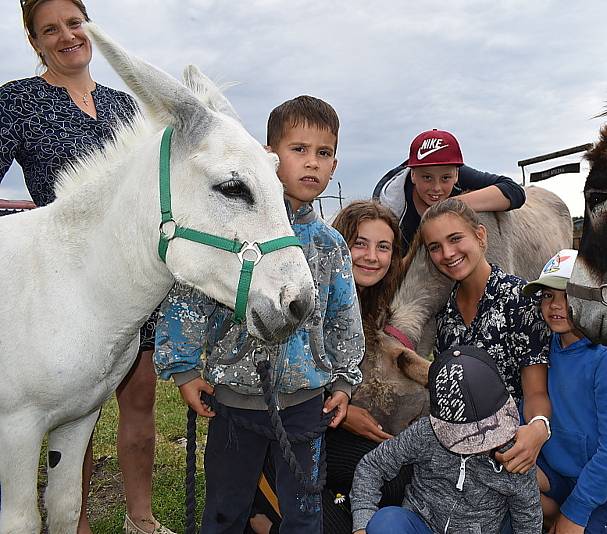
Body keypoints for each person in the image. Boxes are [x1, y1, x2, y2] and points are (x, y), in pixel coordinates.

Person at [155, 95, 365, 533]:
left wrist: (345, 379)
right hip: (233, 401)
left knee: (304, 513)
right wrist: (185, 369)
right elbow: (190, 296)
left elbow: (344, 316)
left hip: (306, 402)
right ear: (270, 157)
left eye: (323, 153)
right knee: (225, 507)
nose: (312, 163)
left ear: (335, 164)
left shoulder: (329, 245)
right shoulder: (234, 230)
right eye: (299, 149)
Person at [0, 2, 167, 533]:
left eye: (74, 23)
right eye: (50, 30)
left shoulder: (128, 108)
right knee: (73, 407)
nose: (66, 36)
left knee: (138, 400)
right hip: (60, 289)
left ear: (89, 27)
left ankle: (139, 515)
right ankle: (77, 521)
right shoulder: (16, 101)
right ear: (35, 42)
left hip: (133, 283)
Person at [251, 200, 413, 534]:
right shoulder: (305, 292)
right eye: (360, 244)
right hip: (283, 431)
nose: (372, 256)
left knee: (396, 477)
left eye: (383, 247)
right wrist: (340, 412)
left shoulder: (370, 302)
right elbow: (285, 373)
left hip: (328, 426)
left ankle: (318, 502)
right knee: (336, 526)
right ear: (340, 243)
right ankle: (259, 510)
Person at [417, 197, 552, 476]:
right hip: (463, 448)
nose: (447, 253)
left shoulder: (521, 299)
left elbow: (536, 391)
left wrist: (539, 426)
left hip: (515, 447)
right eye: (435, 247)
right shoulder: (444, 314)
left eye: (455, 239)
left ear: (480, 236)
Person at [350, 345, 543, 534]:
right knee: (386, 522)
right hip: (420, 522)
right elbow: (373, 465)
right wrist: (362, 521)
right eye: (468, 435)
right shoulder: (425, 433)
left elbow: (528, 516)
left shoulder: (516, 453)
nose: (481, 442)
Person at [521, 250, 607, 534]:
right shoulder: (544, 349)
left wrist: (577, 511)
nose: (555, 305)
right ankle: (555, 516)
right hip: (561, 473)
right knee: (499, 487)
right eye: (548, 296)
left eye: (567, 295)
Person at [373, 128, 526, 255]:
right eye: (427, 177)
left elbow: (514, 191)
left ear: (457, 174)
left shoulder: (456, 172)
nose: (436, 187)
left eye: (445, 178)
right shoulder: (390, 207)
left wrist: (450, 205)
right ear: (412, 174)